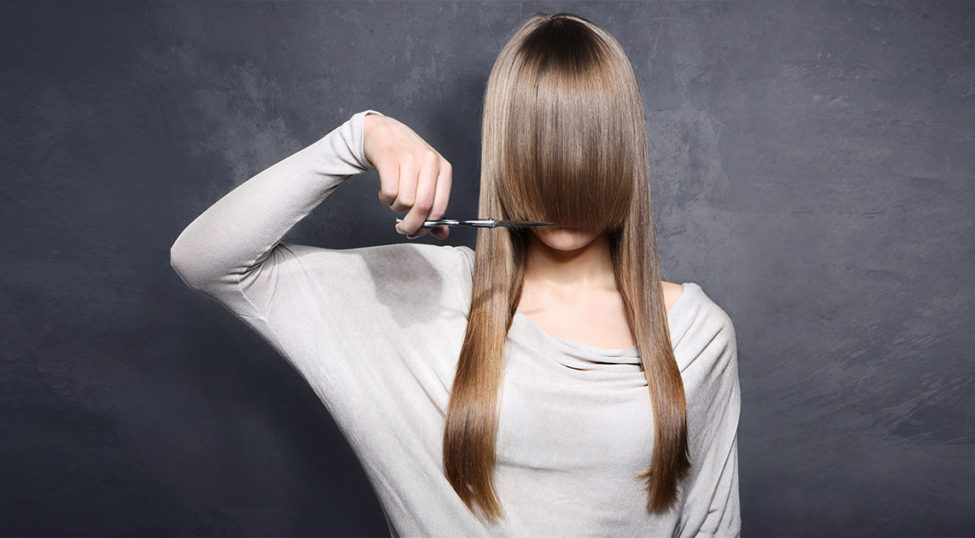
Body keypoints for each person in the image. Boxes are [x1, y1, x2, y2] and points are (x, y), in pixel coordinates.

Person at [170, 12, 740, 537]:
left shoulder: (696, 335)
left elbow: (712, 527)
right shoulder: (425, 294)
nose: (565, 174)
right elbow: (205, 261)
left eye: (590, 144)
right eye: (538, 145)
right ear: (504, 153)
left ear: (626, 153)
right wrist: (359, 137)